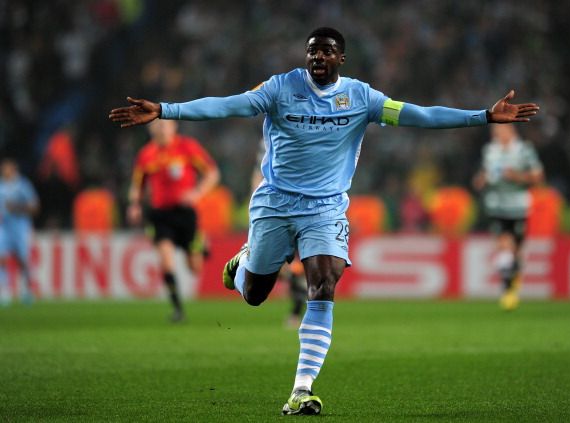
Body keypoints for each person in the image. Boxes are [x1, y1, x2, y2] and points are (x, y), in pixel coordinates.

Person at [109, 27, 539, 415]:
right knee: (255, 295)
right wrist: (166, 110)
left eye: (326, 52)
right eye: (312, 51)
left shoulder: (362, 99)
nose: (317, 57)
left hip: (326, 208)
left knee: (324, 282)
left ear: (341, 59)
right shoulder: (280, 89)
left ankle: (302, 389)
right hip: (275, 203)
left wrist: (482, 116)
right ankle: (242, 266)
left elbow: (419, 115)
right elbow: (229, 105)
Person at [127, 119, 220, 322]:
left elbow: (212, 173)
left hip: (185, 213)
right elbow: (137, 184)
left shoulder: (187, 147)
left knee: (194, 268)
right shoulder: (146, 154)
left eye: (164, 124)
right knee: (166, 262)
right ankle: (178, 308)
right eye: (156, 125)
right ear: (150, 129)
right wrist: (134, 204)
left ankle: (200, 244)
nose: (160, 128)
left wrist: (197, 192)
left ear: (173, 127)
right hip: (160, 216)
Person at [473, 124, 544, 310]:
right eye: (495, 131)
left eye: (501, 130)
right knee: (504, 243)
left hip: (518, 206)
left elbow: (538, 177)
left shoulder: (524, 150)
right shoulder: (490, 150)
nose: (497, 134)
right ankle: (507, 289)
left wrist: (517, 177)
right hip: (496, 205)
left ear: (512, 131)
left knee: (516, 251)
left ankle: (512, 281)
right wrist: (481, 180)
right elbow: (485, 174)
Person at [251, 139, 307, 329]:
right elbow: (258, 173)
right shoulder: (269, 140)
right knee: (283, 267)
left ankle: (298, 309)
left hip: (308, 206)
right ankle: (297, 290)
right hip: (277, 207)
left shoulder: (312, 130)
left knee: (303, 262)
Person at [0, 158, 39, 306]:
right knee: (1, 258)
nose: (4, 171)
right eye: (3, 168)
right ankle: (4, 291)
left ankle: (27, 289)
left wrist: (16, 207)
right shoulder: (1, 186)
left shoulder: (23, 185)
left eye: (7, 168)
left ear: (14, 169)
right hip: (4, 227)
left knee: (23, 259)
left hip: (21, 226)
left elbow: (35, 208)